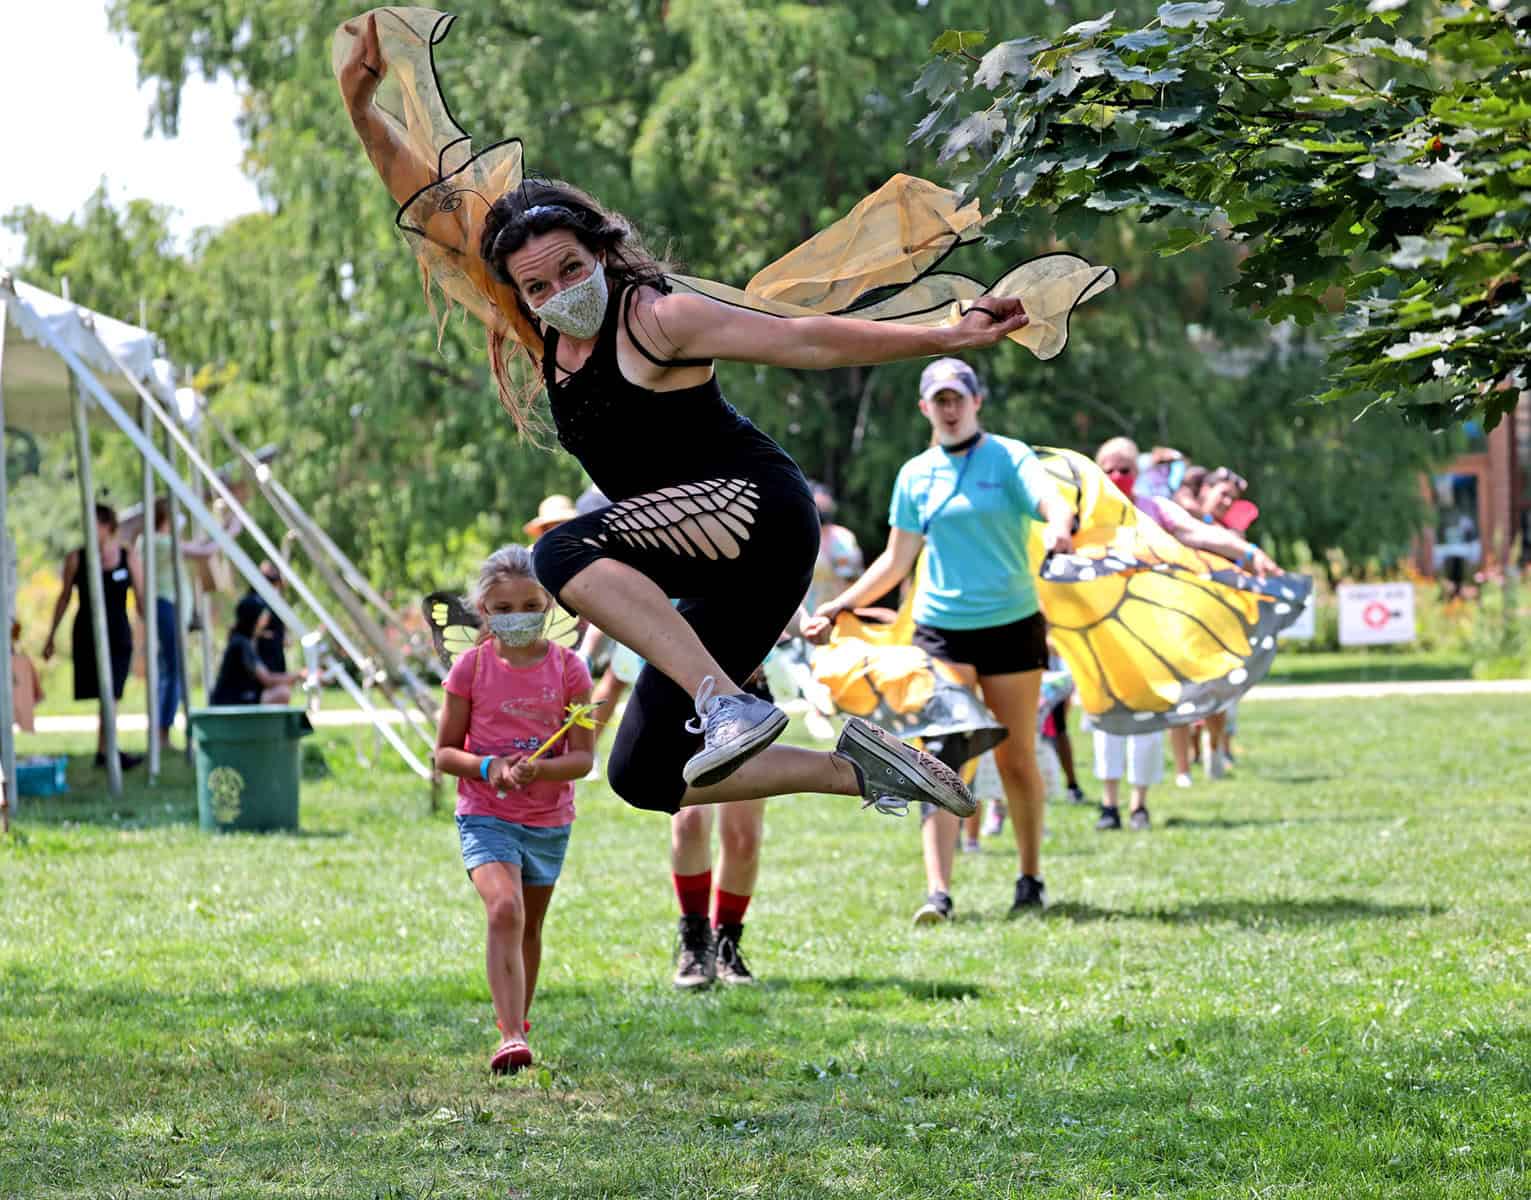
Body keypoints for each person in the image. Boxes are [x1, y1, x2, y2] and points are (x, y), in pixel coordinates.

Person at [336, 14, 1037, 829]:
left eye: (572, 266)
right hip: (705, 564)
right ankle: (870, 769)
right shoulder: (544, 335)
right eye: (537, 286)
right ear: (519, 295)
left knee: (560, 547)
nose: (560, 290)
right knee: (644, 774)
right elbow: (429, 203)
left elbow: (803, 339)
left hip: (758, 514)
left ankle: (721, 698)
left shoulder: (658, 317)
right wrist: (362, 111)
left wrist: (947, 333)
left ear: (601, 250)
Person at [805, 358, 1076, 923]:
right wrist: (839, 603)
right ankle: (939, 893)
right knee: (944, 752)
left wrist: (1059, 525)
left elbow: (1051, 501)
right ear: (925, 408)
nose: (950, 408)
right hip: (941, 631)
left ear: (977, 402)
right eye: (939, 400)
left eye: (959, 398)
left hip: (1011, 623)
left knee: (1018, 755)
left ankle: (1029, 878)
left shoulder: (1009, 457)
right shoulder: (916, 474)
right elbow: (896, 559)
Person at [434, 545, 594, 1073]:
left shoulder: (571, 670)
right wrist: (490, 768)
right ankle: (507, 1036)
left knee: (529, 927)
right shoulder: (470, 668)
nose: (517, 616)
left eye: (529, 604)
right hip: (485, 813)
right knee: (505, 909)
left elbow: (582, 759)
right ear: (484, 611)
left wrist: (537, 769)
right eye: (503, 609)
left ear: (548, 605)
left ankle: (517, 1026)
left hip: (549, 821)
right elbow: (444, 753)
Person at [1093, 440, 1281, 813]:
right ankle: (1109, 803)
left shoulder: (1154, 510)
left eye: (1126, 469)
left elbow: (1198, 533)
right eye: (1109, 469)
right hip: (1101, 633)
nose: (1117, 477)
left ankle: (1138, 805)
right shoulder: (1085, 513)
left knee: (1147, 716)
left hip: (1148, 632)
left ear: (1138, 473)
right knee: (1104, 716)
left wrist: (1249, 553)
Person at [42, 504, 145, 769]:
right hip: (88, 633)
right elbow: (64, 597)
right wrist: (51, 636)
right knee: (104, 693)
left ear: (108, 526)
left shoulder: (126, 555)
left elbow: (142, 598)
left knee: (112, 693)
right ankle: (106, 750)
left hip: (119, 632)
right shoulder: (77, 558)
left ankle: (106, 750)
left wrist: (149, 629)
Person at [138, 499, 217, 747]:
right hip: (166, 607)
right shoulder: (159, 542)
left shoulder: (155, 541)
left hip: (170, 609)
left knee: (169, 670)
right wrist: (228, 532)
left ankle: (163, 730)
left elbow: (194, 546)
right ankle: (162, 732)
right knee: (173, 670)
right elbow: (202, 551)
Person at [209, 596, 307, 706]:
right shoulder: (242, 644)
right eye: (262, 615)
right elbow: (267, 679)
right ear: (254, 619)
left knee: (282, 691)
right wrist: (299, 675)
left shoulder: (243, 640)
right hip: (230, 701)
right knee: (282, 693)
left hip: (235, 698)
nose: (266, 618)